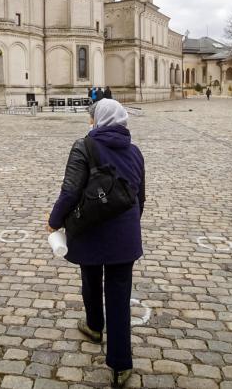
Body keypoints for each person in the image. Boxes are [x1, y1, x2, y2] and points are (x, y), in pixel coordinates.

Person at [47, 99, 145, 387]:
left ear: (97, 120)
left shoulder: (84, 146)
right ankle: (120, 365)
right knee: (119, 297)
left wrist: (54, 221)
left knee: (90, 279)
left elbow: (69, 192)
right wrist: (128, 225)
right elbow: (140, 198)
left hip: (88, 229)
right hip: (124, 236)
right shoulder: (135, 152)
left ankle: (93, 326)